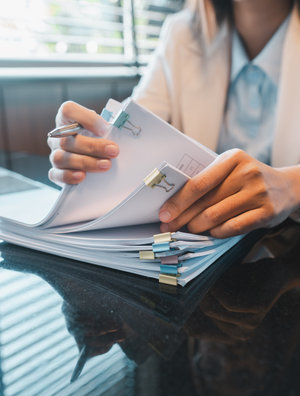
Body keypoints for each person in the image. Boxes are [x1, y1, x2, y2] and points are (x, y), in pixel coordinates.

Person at [47, 0, 300, 238]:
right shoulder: (181, 34)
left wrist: (292, 186)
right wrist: (89, 148)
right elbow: (129, 132)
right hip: (200, 249)